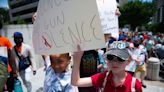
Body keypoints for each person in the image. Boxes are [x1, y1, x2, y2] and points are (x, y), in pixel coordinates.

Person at [71, 41, 142, 92]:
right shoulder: (103, 77)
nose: (114, 62)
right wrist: (77, 59)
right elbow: (76, 82)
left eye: (120, 58)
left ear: (128, 61)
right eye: (110, 57)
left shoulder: (135, 84)